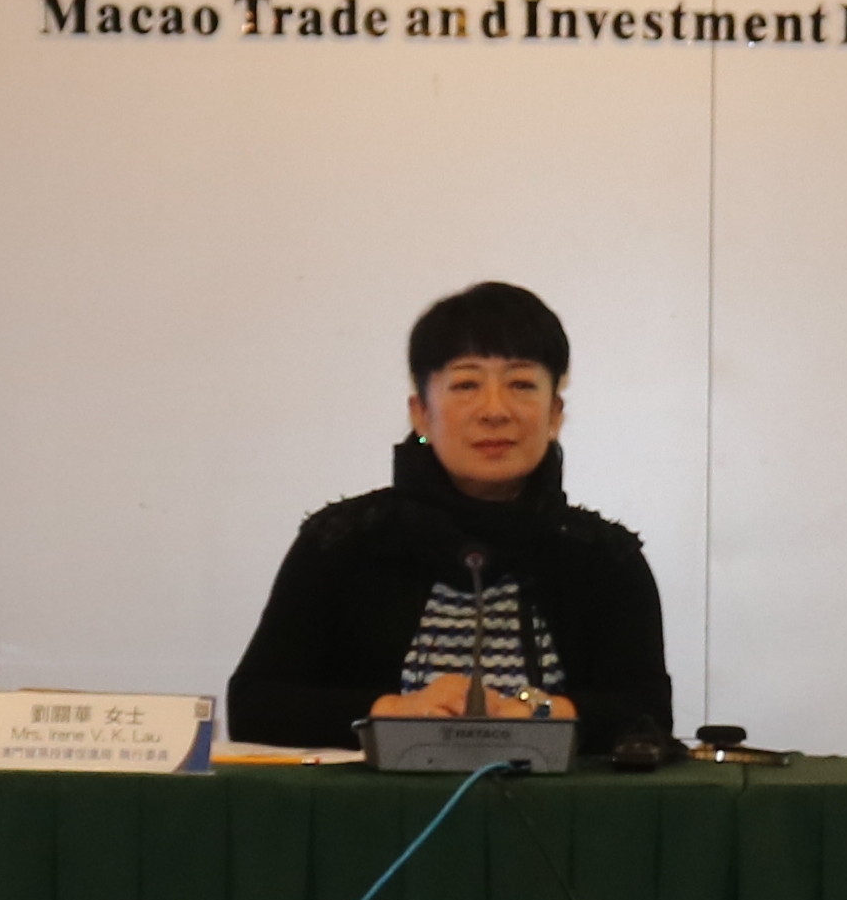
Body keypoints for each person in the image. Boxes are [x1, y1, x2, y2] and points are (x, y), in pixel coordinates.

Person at [227, 282, 673, 750]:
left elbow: (648, 715)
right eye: (466, 385)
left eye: (521, 384)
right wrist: (392, 713)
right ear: (421, 413)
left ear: (555, 414)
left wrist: (542, 713)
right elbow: (255, 707)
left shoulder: (604, 558)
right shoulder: (342, 542)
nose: (494, 411)